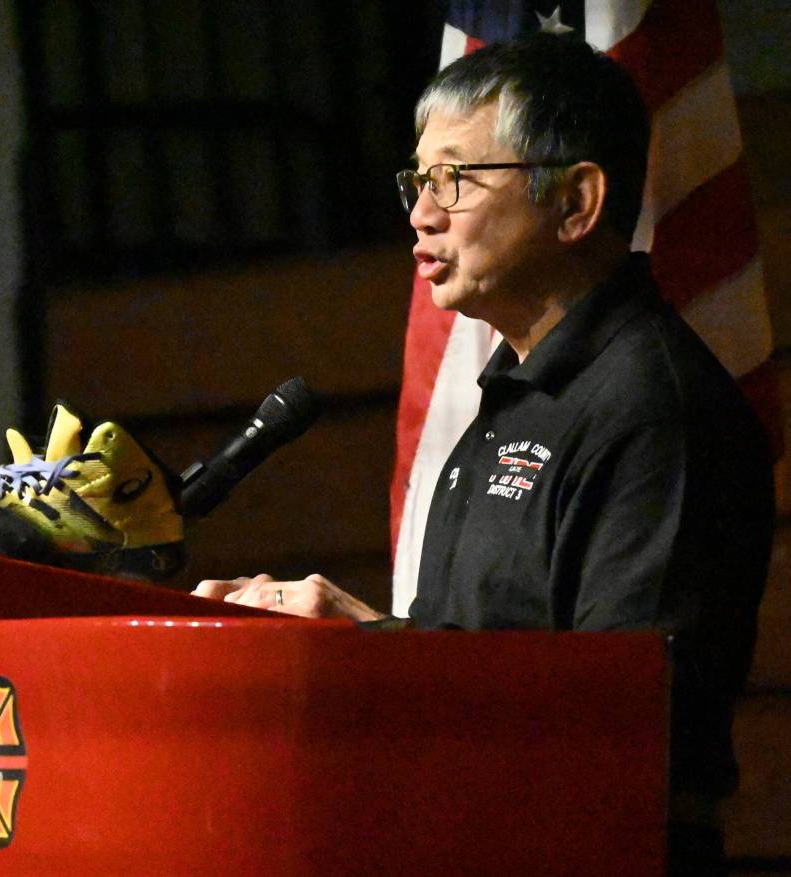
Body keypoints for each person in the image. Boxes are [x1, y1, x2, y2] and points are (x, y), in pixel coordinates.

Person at [192, 33, 775, 877]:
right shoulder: (512, 393)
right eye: (418, 183)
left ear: (576, 202)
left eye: (454, 181)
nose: (420, 214)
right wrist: (348, 645)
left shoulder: (654, 409)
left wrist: (365, 638)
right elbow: (470, 654)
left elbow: (625, 725)